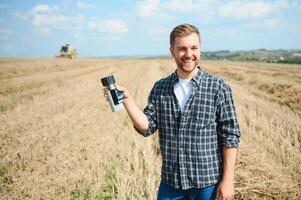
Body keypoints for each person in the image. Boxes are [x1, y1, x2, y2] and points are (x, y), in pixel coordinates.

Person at [117, 23, 240, 200]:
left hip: (208, 184)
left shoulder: (218, 87)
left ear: (200, 49)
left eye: (193, 48)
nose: (188, 54)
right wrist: (127, 100)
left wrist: (228, 181)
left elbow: (230, 135)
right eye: (182, 49)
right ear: (172, 51)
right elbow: (147, 127)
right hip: (171, 184)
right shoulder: (160, 88)